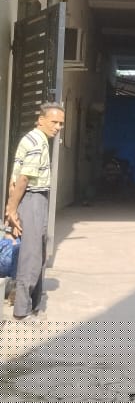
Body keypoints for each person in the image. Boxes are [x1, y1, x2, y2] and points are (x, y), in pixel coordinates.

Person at [5, 102, 65, 320]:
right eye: (54, 122)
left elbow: (15, 177)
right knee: (31, 256)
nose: (58, 127)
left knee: (37, 252)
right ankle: (22, 311)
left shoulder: (37, 139)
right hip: (32, 199)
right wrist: (11, 209)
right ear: (41, 120)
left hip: (35, 198)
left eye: (61, 124)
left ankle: (32, 304)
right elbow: (23, 179)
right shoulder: (36, 142)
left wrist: (11, 205)